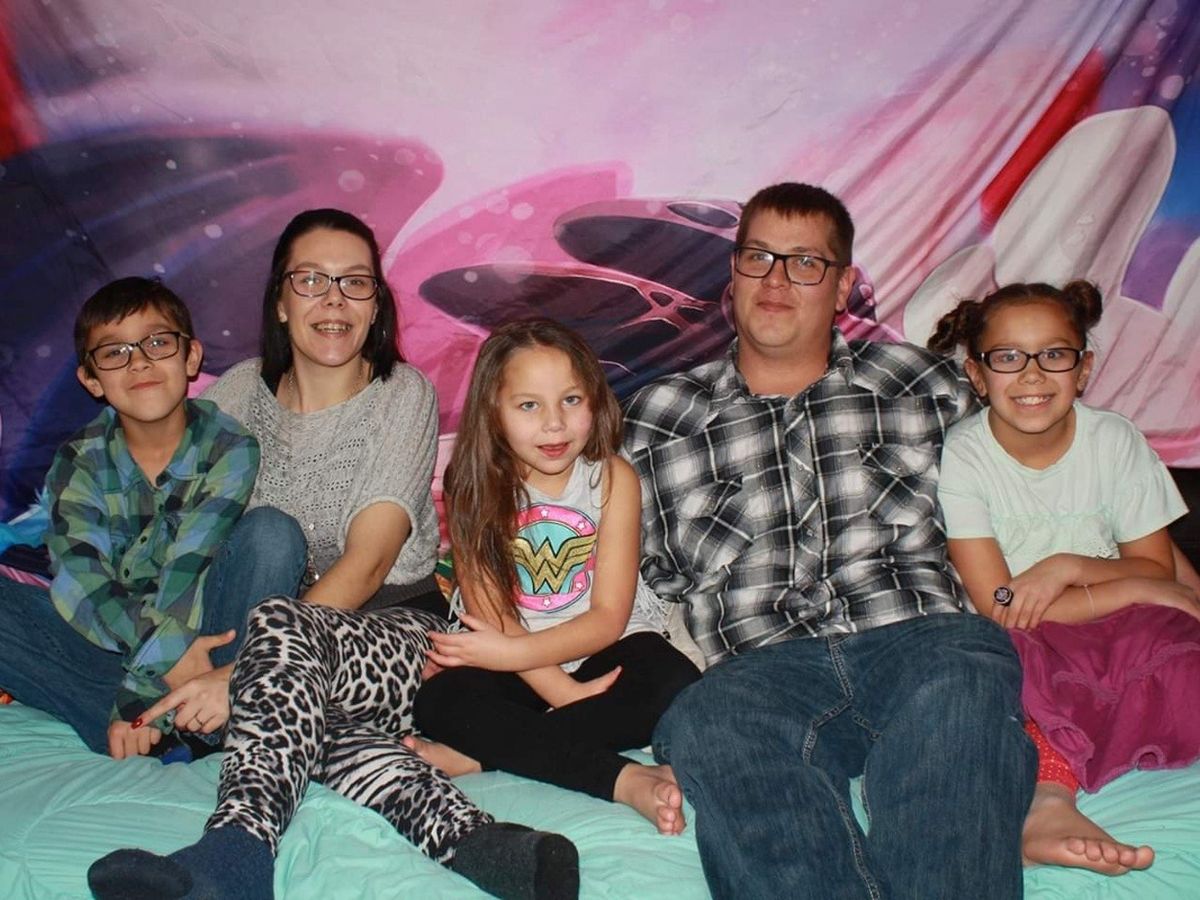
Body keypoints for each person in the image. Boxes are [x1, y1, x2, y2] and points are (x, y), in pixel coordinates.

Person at [87, 211, 580, 900]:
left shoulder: (401, 394)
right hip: (274, 650)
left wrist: (238, 676)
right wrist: (169, 664)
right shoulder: (237, 393)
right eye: (311, 280)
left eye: (355, 282)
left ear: (376, 303)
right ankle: (487, 848)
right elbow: (178, 542)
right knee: (300, 710)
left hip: (395, 630)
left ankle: (233, 855)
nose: (334, 300)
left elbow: (371, 562)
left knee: (275, 613)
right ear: (280, 301)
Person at [622, 182, 1036, 898]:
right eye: (758, 257)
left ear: (842, 285)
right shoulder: (653, 420)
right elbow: (599, 576)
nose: (776, 280)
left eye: (805, 262)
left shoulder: (933, 387)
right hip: (759, 672)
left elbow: (1060, 487)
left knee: (968, 679)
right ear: (733, 273)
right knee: (704, 719)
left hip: (921, 646)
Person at [929, 280, 1200, 875]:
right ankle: (1049, 799)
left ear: (1084, 369)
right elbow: (1000, 600)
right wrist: (1141, 586)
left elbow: (1157, 568)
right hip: (1024, 632)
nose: (1032, 374)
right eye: (1007, 357)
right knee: (1011, 675)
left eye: (1054, 354)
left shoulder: (1114, 440)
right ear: (977, 375)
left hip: (1124, 624)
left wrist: (1067, 567)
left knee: (1175, 646)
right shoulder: (965, 456)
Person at [405, 319, 701, 835]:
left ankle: (483, 756)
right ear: (493, 412)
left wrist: (555, 683)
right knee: (439, 701)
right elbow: (493, 617)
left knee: (674, 683)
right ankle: (623, 779)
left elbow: (608, 618)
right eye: (528, 405)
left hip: (602, 643)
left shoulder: (614, 478)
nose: (554, 425)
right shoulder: (471, 483)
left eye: (571, 400)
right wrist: (566, 694)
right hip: (513, 647)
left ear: (595, 400)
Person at [0, 276, 298, 760]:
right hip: (117, 648)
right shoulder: (78, 460)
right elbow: (81, 581)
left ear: (191, 357)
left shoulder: (229, 446)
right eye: (114, 352)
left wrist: (137, 702)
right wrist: (160, 663)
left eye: (157, 343)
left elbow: (187, 571)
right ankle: (168, 726)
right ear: (91, 379)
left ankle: (193, 717)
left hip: (210, 645)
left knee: (272, 534)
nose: (138, 361)